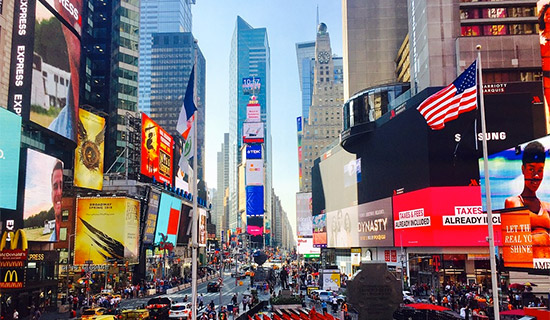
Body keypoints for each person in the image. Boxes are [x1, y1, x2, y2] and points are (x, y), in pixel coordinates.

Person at [505, 141, 550, 259]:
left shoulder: (547, 206)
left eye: (540, 170)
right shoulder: (513, 202)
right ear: (523, 169)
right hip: (527, 267)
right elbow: (515, 241)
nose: (536, 176)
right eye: (531, 169)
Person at [49, 160, 64, 241]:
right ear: (51, 195)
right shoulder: (49, 241)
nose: (58, 192)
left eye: (61, 186)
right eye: (55, 187)